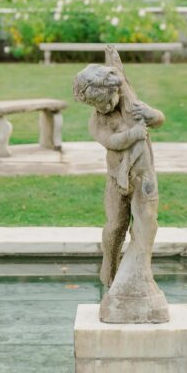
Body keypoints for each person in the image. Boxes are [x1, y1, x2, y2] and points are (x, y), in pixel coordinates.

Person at [73, 45, 169, 323]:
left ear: (116, 90)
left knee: (146, 221)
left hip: (143, 175)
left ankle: (139, 274)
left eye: (107, 101)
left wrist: (151, 115)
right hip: (117, 179)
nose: (104, 108)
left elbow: (158, 119)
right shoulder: (97, 122)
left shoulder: (130, 102)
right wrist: (134, 133)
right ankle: (110, 266)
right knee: (115, 225)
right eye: (97, 105)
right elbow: (112, 141)